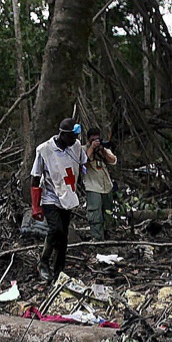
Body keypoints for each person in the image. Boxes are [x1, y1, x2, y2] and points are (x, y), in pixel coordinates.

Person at [30, 118, 87, 283]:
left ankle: (58, 270)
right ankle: (43, 261)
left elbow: (83, 162)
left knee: (63, 236)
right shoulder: (44, 150)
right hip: (50, 197)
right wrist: (35, 206)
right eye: (72, 136)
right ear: (62, 134)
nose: (75, 139)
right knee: (56, 229)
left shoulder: (75, 146)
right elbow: (35, 178)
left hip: (67, 196)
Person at [83, 128, 118, 241]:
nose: (96, 142)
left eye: (97, 139)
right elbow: (82, 162)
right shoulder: (83, 150)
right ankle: (97, 238)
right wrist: (92, 148)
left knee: (108, 212)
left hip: (106, 186)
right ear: (88, 140)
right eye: (93, 140)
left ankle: (108, 235)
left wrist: (102, 150)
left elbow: (113, 160)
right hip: (93, 186)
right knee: (95, 214)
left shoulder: (103, 149)